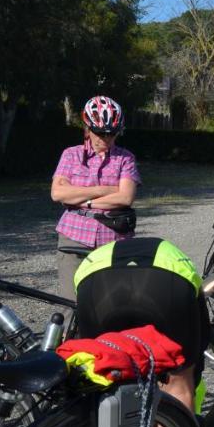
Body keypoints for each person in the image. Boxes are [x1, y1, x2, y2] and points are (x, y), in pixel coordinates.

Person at [73, 236, 208, 427]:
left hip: (95, 280)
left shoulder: (98, 257)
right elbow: (202, 336)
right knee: (179, 384)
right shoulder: (177, 258)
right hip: (168, 282)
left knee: (101, 374)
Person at [50, 96, 140, 300]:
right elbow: (58, 193)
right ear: (88, 129)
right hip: (74, 236)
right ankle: (70, 334)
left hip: (113, 238)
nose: (105, 138)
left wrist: (82, 199)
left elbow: (125, 198)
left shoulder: (125, 158)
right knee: (71, 302)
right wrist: (105, 190)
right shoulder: (70, 155)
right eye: (100, 132)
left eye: (111, 133)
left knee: (112, 301)